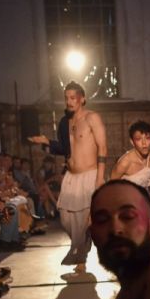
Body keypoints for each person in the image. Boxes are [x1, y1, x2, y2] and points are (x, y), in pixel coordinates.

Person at [53, 82, 107, 275]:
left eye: (72, 97)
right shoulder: (65, 122)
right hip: (71, 176)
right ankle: (82, 245)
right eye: (66, 98)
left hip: (90, 174)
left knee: (85, 221)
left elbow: (102, 147)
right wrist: (47, 143)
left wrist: (100, 178)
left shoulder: (92, 117)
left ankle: (81, 258)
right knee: (66, 219)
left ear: (82, 98)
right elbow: (65, 148)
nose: (69, 101)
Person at [110, 121, 150, 228]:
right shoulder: (125, 162)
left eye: (147, 138)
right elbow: (111, 187)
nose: (144, 143)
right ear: (132, 141)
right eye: (138, 139)